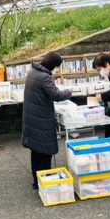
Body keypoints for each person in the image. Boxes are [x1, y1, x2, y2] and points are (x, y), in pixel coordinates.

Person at [22, 51, 72, 189]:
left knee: (36, 151)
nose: (57, 69)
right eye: (57, 66)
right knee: (46, 150)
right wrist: (69, 92)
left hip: (31, 118)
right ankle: (46, 182)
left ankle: (36, 181)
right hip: (42, 119)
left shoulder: (32, 72)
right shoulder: (45, 77)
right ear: (53, 65)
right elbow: (56, 95)